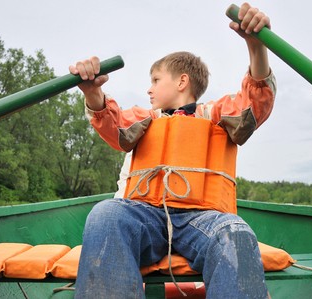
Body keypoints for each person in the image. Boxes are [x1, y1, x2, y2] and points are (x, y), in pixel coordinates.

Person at [70, 2, 275, 298]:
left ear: (182, 81)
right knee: (106, 215)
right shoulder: (145, 118)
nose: (149, 89)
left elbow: (253, 105)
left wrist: (256, 47)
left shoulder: (216, 114)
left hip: (203, 218)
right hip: (147, 214)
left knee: (236, 231)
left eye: (155, 80)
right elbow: (113, 127)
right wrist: (93, 93)